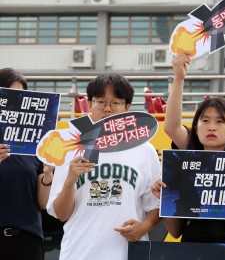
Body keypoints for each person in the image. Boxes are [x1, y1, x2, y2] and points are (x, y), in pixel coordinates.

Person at [47, 73, 161, 260]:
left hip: (127, 252)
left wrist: (144, 227)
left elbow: (156, 204)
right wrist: (70, 181)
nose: (107, 109)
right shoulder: (72, 147)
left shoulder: (144, 149)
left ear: (127, 108)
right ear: (90, 104)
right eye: (100, 102)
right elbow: (61, 214)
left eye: (115, 103)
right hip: (80, 253)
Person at [160, 53, 225, 243]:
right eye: (205, 121)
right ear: (196, 128)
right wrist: (179, 78)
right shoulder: (188, 159)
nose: (212, 127)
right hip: (193, 250)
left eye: (220, 121)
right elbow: (175, 232)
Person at [0, 68, 54, 260]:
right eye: (8, 94)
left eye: (21, 96)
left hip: (28, 240)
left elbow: (43, 203)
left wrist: (48, 174)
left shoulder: (35, 145)